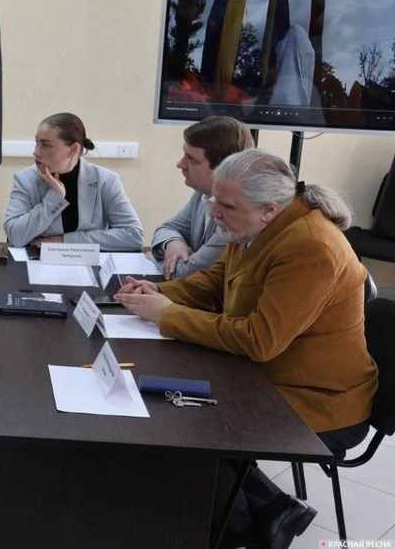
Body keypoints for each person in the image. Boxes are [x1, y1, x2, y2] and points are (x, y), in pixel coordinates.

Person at [116, 149, 377, 549]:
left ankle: (237, 527)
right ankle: (267, 509)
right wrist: (160, 292)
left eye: (226, 205)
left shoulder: (310, 246)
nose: (213, 212)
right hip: (266, 377)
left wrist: (168, 315)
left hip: (320, 400)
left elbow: (259, 339)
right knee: (168, 405)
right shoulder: (257, 226)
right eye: (214, 200)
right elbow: (215, 283)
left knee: (182, 418)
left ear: (269, 209)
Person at [4, 113, 143, 250]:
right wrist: (54, 199)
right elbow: (15, 236)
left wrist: (67, 241)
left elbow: (134, 235)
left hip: (88, 261)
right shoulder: (25, 179)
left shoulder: (106, 180)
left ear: (73, 150)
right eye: (37, 143)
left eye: (45, 145)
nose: (36, 152)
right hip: (38, 260)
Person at [150, 116, 254, 279]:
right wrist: (174, 243)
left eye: (192, 160)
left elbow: (190, 273)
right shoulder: (202, 194)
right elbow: (167, 228)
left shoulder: (238, 212)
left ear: (223, 168)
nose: (180, 164)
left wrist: (155, 259)